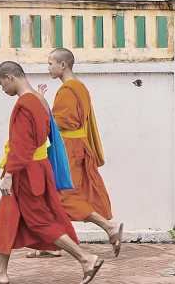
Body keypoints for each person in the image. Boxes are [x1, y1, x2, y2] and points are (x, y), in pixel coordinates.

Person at [0, 60, 103, 284]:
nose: (3, 89)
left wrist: (9, 175)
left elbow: (22, 145)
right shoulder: (39, 100)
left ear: (10, 78)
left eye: (1, 84)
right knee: (8, 217)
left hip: (26, 172)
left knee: (41, 222)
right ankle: (0, 272)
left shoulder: (25, 105)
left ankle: (86, 259)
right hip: (37, 169)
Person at [39, 48, 124, 256]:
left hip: (68, 148)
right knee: (54, 194)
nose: (48, 67)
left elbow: (63, 122)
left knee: (64, 196)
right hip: (75, 146)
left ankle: (108, 227)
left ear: (63, 65)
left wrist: (41, 104)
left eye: (51, 63)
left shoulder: (68, 89)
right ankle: (52, 246)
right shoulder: (80, 87)